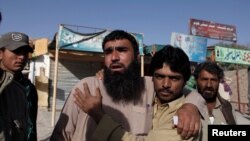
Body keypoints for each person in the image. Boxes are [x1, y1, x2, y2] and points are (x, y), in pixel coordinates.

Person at [50, 30, 205, 141]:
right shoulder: (86, 87)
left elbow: (183, 89)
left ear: (137, 56)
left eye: (122, 50)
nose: (115, 57)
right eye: (109, 52)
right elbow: (61, 135)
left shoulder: (150, 86)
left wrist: (191, 105)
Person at [0, 32, 38, 141]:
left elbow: (32, 125)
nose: (21, 57)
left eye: (25, 52)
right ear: (1, 53)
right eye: (16, 51)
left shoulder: (29, 88)